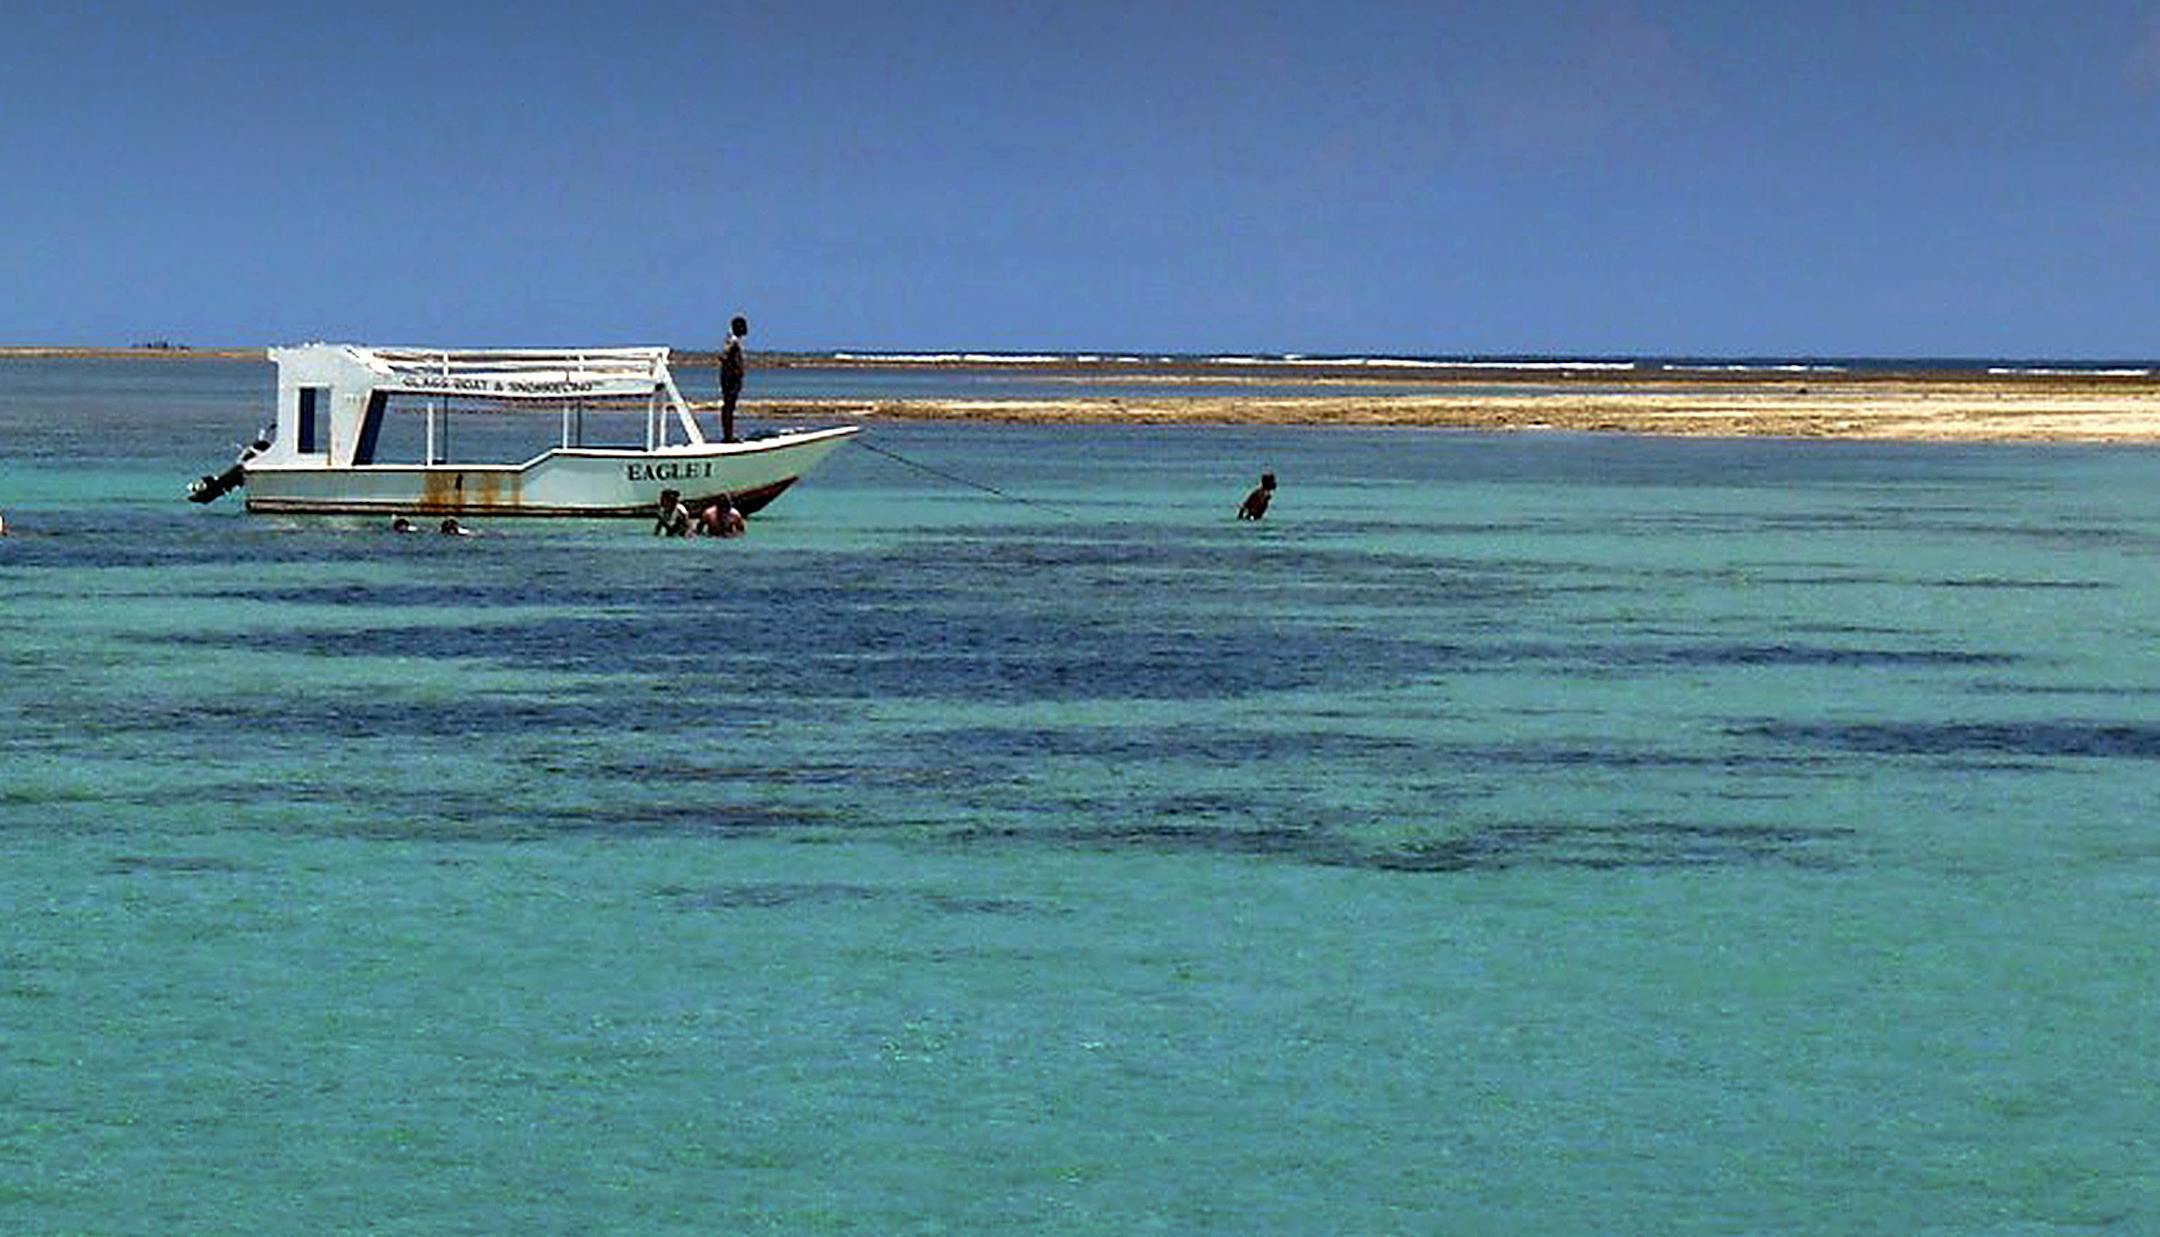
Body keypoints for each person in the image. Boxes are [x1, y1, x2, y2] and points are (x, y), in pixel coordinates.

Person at [718, 315, 749, 443]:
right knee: (728, 407)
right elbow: (724, 356)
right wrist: (734, 372)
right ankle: (728, 437)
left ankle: (728, 435)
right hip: (730, 379)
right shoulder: (733, 341)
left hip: (731, 378)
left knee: (729, 407)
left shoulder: (733, 340)